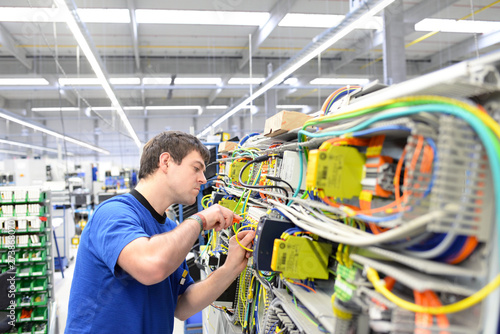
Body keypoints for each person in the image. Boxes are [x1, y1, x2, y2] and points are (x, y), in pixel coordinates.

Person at [65, 131, 255, 333]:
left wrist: (231, 267)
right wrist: (199, 219)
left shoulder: (171, 230)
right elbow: (151, 266)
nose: (202, 179)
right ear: (165, 162)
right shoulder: (113, 213)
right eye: (196, 168)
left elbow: (182, 305)